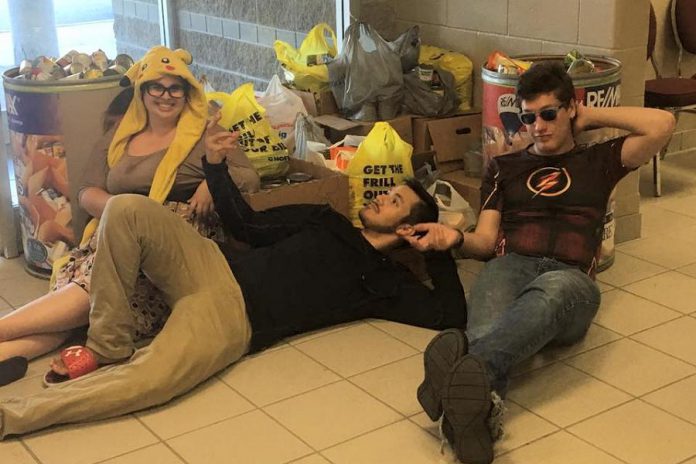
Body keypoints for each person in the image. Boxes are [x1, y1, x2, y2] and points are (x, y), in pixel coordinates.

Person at [0, 111, 466, 436]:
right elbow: (248, 224)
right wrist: (215, 167)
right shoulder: (328, 219)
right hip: (209, 262)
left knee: (149, 383)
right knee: (126, 209)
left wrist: (444, 250)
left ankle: (13, 416)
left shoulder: (384, 281)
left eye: (396, 201)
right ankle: (107, 343)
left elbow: (448, 315)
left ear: (410, 227)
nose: (382, 197)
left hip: (232, 320)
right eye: (387, 193)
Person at [409, 61, 676, 464]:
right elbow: (484, 242)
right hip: (511, 264)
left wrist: (590, 116)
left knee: (551, 291)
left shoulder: (598, 161)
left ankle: (458, 373)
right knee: (485, 324)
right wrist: (454, 238)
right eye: (529, 117)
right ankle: (475, 421)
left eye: (550, 113)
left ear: (570, 109)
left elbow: (661, 124)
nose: (538, 125)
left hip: (570, 281)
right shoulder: (504, 167)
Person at [0, 46, 260, 386]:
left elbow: (250, 177)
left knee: (91, 297)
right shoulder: (121, 135)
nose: (165, 96)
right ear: (142, 91)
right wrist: (125, 217)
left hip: (176, 244)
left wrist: (213, 179)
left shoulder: (204, 132)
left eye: (175, 88)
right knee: (83, 314)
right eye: (157, 86)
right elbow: (87, 192)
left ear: (187, 92)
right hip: (116, 232)